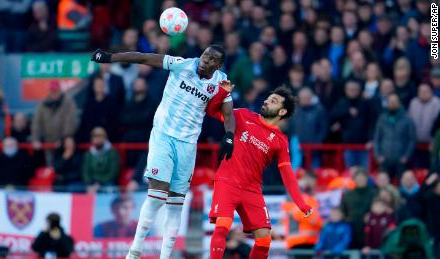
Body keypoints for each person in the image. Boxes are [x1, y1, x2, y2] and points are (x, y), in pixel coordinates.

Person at [91, 44, 236, 259]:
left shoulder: (220, 82)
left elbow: (229, 114)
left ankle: (165, 256)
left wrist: (230, 135)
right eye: (205, 55)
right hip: (163, 136)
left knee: (176, 203)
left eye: (212, 59)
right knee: (157, 196)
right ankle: (134, 251)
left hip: (188, 144)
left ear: (219, 65)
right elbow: (143, 58)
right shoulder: (182, 64)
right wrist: (111, 57)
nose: (205, 60)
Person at [205, 87, 313, 259]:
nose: (266, 101)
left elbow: (287, 173)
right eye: (268, 98)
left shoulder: (280, 140)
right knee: (222, 227)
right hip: (228, 180)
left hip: (252, 189)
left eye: (273, 101)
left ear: (282, 111)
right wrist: (222, 93)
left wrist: (300, 203)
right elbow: (211, 110)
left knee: (264, 240)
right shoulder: (243, 115)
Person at [31, 81, 78, 165]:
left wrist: (64, 138)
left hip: (63, 144)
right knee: (49, 165)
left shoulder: (68, 102)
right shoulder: (43, 103)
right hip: (48, 143)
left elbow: (71, 120)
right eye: (51, 90)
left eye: (55, 90)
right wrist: (36, 139)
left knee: (62, 165)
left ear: (60, 90)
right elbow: (36, 122)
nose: (53, 93)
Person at [373, 93, 416, 179]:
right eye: (390, 102)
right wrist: (378, 155)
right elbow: (377, 138)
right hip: (384, 159)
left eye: (395, 101)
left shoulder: (407, 119)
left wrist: (406, 156)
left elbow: (412, 139)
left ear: (399, 103)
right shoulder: (382, 118)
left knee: (401, 183)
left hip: (401, 159)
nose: (392, 104)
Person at [340, 169, 377, 249]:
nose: (360, 180)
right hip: (351, 228)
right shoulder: (348, 194)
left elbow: (378, 209)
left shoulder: (374, 193)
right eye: (358, 178)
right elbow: (342, 210)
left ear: (367, 179)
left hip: (369, 229)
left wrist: (371, 215)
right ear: (354, 179)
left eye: (363, 178)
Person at [81, 127, 120, 194]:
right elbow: (85, 172)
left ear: (105, 138)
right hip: (92, 183)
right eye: (95, 136)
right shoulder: (88, 154)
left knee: (111, 188)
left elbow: (113, 173)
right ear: (91, 139)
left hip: (107, 182)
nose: (98, 139)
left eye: (100, 136)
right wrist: (89, 184)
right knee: (76, 188)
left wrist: (99, 184)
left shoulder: (113, 153)